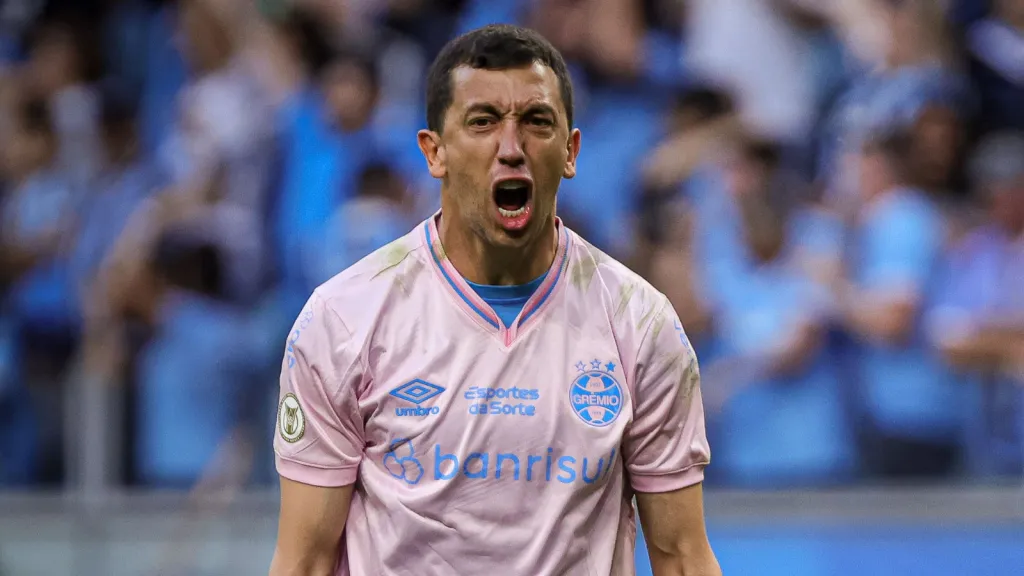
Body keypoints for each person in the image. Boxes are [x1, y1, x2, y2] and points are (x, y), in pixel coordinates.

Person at [269, 24, 719, 576]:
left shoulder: (640, 324)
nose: (511, 148)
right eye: (482, 122)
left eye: (536, 122)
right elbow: (305, 562)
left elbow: (681, 557)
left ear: (571, 151)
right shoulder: (343, 320)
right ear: (434, 153)